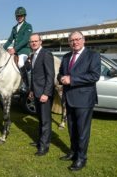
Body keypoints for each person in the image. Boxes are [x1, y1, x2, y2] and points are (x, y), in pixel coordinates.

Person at [57, 31, 101, 171]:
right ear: (69, 42)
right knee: (72, 129)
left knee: (82, 131)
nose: (75, 42)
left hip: (84, 99)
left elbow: (94, 76)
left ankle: (81, 158)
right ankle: (73, 152)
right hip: (69, 98)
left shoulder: (93, 55)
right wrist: (61, 78)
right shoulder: (66, 56)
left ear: (83, 40)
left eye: (77, 39)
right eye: (72, 40)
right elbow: (60, 73)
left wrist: (72, 80)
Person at [28, 33, 55, 156]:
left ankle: (44, 146)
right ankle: (40, 141)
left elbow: (50, 76)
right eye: (31, 41)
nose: (33, 43)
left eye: (35, 41)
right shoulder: (33, 55)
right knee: (40, 119)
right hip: (37, 92)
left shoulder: (46, 54)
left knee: (45, 121)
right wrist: (32, 90)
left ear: (40, 42)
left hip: (44, 94)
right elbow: (34, 76)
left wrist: (46, 93)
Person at [3, 6, 33, 91]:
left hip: (24, 50)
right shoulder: (14, 28)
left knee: (20, 63)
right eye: (18, 16)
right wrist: (3, 49)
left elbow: (25, 40)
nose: (19, 17)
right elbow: (10, 40)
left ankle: (26, 84)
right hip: (15, 51)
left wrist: (14, 49)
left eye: (21, 16)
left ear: (24, 16)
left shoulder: (28, 26)